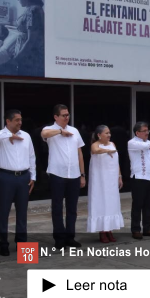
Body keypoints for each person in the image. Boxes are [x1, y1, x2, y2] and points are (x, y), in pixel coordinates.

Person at [0, 109, 36, 256]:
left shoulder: (26, 136)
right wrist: (9, 135)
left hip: (24, 177)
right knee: (4, 212)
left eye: (21, 120)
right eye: (17, 120)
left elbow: (31, 156)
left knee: (22, 212)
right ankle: (3, 243)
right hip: (6, 177)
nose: (20, 122)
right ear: (8, 121)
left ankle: (21, 243)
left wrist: (33, 176)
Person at [41, 104, 86, 250]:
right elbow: (44, 134)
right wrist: (60, 131)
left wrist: (82, 174)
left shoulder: (74, 131)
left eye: (68, 115)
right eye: (64, 115)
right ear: (56, 117)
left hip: (74, 174)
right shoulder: (50, 129)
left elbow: (79, 153)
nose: (67, 117)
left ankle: (70, 237)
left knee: (72, 208)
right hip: (57, 174)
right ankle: (59, 239)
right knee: (57, 208)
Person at [87, 125, 124, 242]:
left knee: (111, 203)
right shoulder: (95, 144)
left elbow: (116, 162)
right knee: (101, 202)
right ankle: (102, 231)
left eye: (109, 133)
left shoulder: (112, 144)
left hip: (111, 179)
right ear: (99, 135)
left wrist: (119, 176)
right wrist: (107, 151)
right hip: (100, 180)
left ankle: (109, 229)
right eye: (106, 133)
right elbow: (95, 150)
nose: (109, 135)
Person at [128, 122, 150, 239]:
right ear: (137, 133)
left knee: (148, 204)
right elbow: (143, 146)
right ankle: (136, 229)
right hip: (138, 177)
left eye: (148, 130)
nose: (147, 133)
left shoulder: (149, 143)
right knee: (137, 204)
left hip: (149, 177)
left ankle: (147, 228)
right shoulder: (132, 142)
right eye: (144, 131)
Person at [10, 0, 45, 77]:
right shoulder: (33, 9)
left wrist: (16, 59)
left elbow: (31, 41)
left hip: (30, 61)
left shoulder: (33, 11)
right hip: (27, 58)